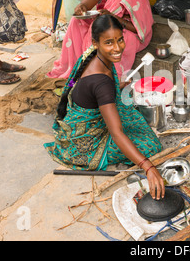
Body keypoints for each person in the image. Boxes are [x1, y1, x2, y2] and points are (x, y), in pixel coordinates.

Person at [44, 14, 165, 200]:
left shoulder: (90, 56)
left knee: (131, 118)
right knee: (149, 144)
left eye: (120, 40)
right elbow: (116, 134)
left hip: (71, 129)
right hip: (82, 146)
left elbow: (77, 86)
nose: (117, 48)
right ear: (96, 43)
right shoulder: (102, 83)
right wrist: (148, 167)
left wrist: (118, 86)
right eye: (109, 43)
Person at [47, 0, 153, 84]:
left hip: (131, 31)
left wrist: (115, 18)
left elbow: (139, 30)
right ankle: (77, 66)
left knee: (109, 36)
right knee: (76, 21)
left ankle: (107, 76)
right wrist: (81, 7)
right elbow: (87, 3)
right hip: (110, 22)